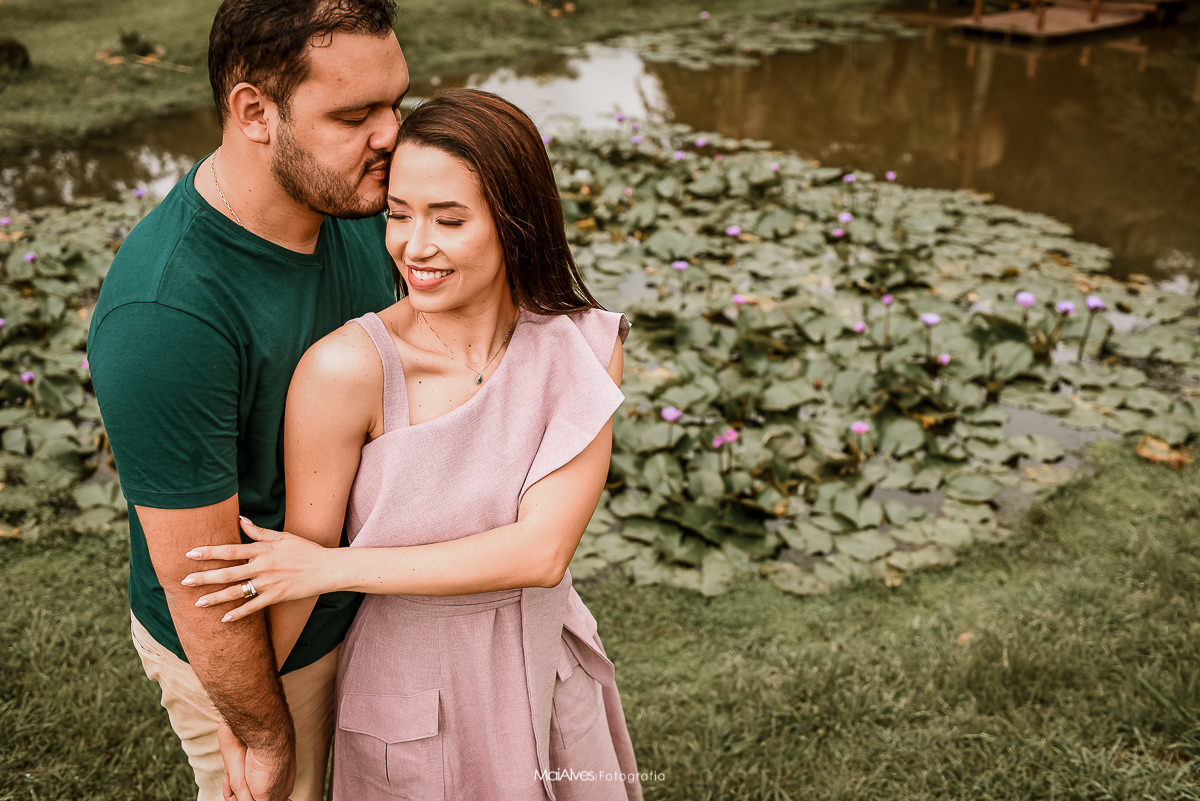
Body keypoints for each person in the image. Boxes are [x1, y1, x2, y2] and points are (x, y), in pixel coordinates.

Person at [181, 88, 643, 800]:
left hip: (550, 665)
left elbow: (541, 552)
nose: (414, 246)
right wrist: (248, 722)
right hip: (408, 692)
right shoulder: (345, 370)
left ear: (516, 220)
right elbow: (296, 563)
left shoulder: (584, 345)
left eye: (448, 219)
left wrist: (333, 569)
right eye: (398, 214)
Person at [85, 2, 408, 800]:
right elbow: (200, 582)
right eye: (354, 115)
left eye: (397, 102)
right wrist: (263, 735)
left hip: (369, 594)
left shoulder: (359, 201)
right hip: (262, 647)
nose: (392, 135)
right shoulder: (165, 313)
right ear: (255, 112)